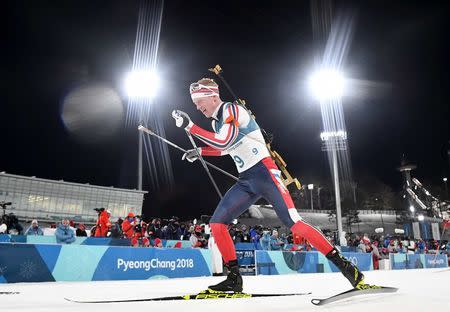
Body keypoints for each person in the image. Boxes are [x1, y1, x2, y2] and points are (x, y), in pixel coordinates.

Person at [172, 77, 367, 293]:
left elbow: (225, 141)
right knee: (217, 224)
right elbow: (227, 148)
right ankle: (234, 279)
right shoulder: (215, 122)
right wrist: (200, 151)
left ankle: (349, 269)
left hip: (265, 173)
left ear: (213, 96)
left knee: (294, 222)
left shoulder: (231, 110)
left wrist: (190, 127)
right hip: (246, 180)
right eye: (195, 103)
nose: (197, 107)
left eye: (199, 101)